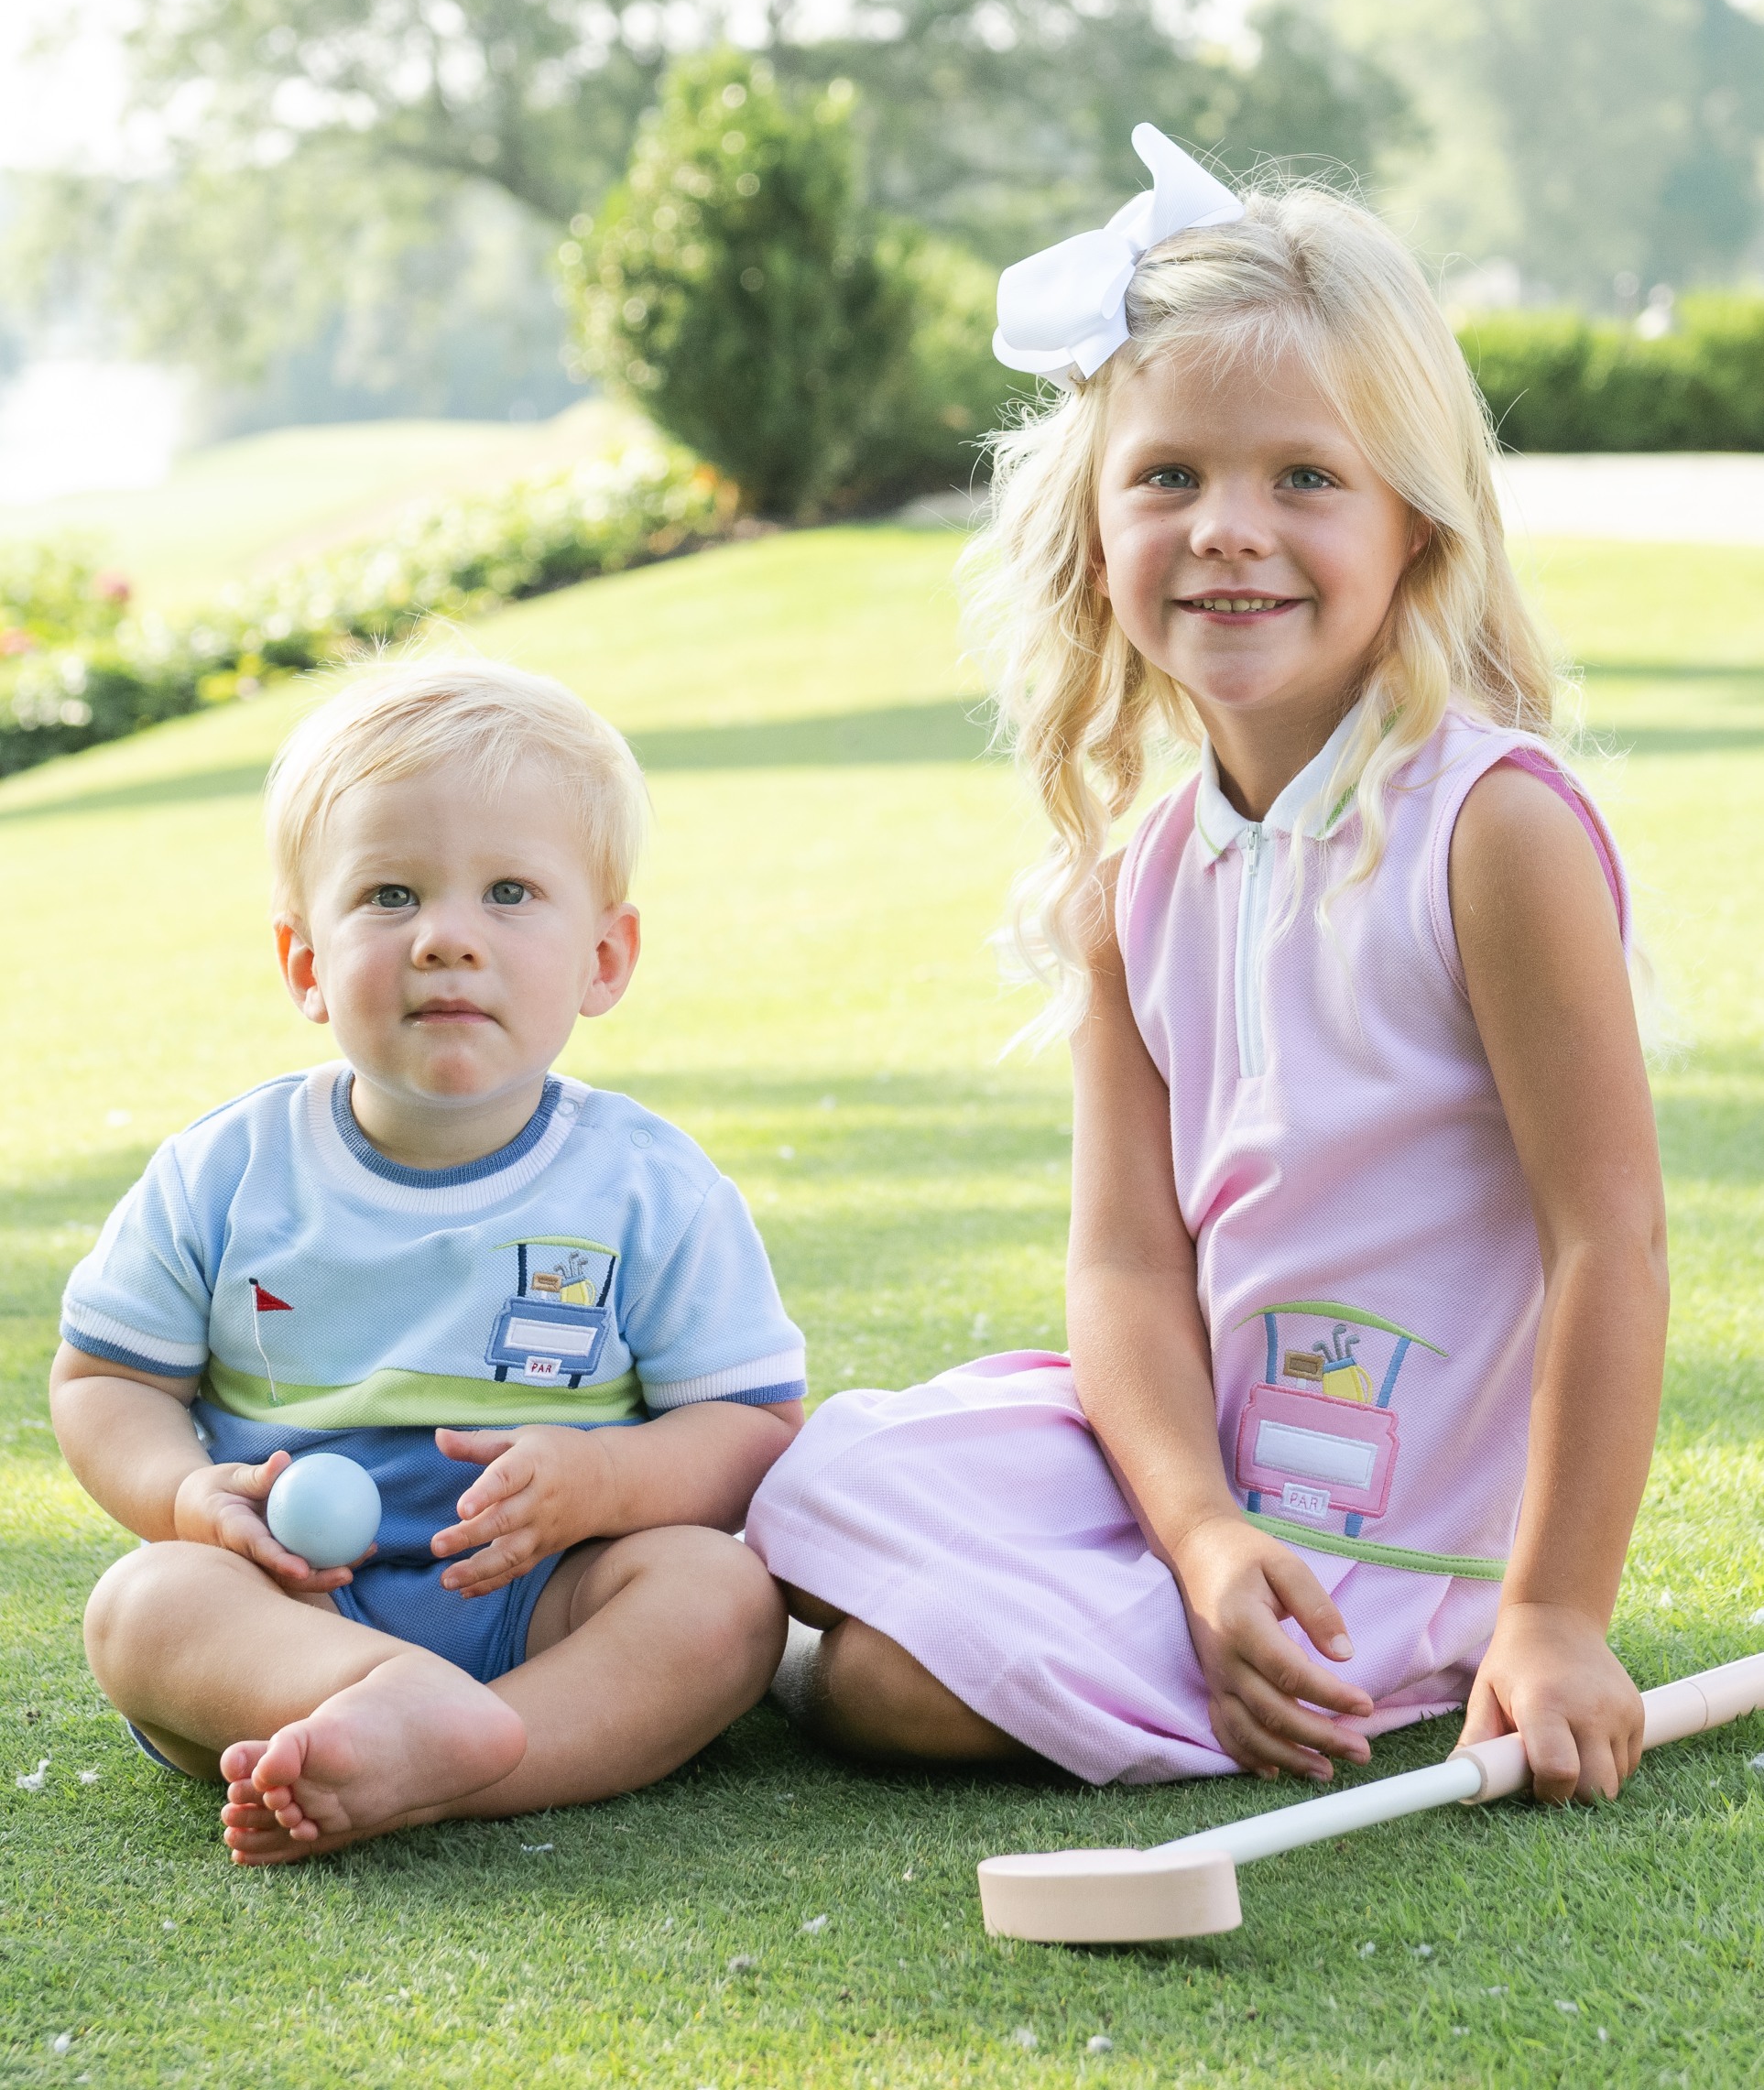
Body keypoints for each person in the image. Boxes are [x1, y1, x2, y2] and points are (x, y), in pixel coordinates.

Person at [749, 125, 1667, 1803]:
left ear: (1413, 523)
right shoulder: (1140, 879)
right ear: (1095, 527)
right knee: (809, 1500)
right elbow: (1122, 1274)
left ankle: (1146, 1623)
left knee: (882, 1689)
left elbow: (1606, 1233)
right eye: (1168, 475)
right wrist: (1193, 1530)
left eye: (1303, 478)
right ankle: (1097, 1589)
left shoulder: (1494, 833)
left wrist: (1553, 1610)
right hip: (1210, 1475)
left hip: (1396, 1530)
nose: (1227, 529)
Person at [52, 657, 805, 1862]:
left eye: (510, 892)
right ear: (305, 963)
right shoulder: (228, 1169)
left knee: (721, 1599)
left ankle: (451, 1754)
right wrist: (186, 1497)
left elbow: (754, 1427)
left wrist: (606, 1488)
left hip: (546, 1605)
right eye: (391, 894)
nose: (445, 939)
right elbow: (105, 1383)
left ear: (606, 956)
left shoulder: (646, 1184)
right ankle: (390, 1711)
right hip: (293, 1613)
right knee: (143, 1604)